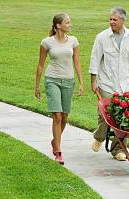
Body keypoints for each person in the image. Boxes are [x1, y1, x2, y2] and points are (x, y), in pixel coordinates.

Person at [89, 7, 129, 160]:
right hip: (106, 84)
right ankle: (99, 137)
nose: (111, 22)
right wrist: (93, 81)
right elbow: (95, 59)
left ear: (123, 20)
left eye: (115, 19)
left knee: (123, 117)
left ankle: (118, 149)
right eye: (110, 19)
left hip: (125, 84)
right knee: (106, 115)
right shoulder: (102, 37)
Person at [35, 13, 84, 165]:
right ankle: (58, 151)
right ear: (58, 25)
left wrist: (81, 82)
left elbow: (77, 63)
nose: (70, 25)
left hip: (68, 81)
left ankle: (54, 140)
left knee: (64, 116)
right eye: (67, 22)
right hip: (52, 80)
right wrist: (37, 86)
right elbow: (41, 65)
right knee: (57, 116)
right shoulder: (46, 42)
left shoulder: (74, 41)